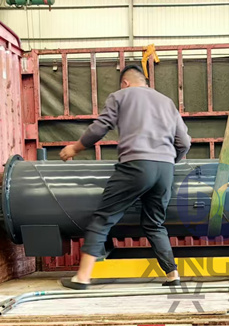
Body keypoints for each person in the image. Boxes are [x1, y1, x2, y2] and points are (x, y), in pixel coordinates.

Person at [58, 65, 191, 290]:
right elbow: (184, 142)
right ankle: (172, 275)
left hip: (136, 164)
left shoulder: (120, 96)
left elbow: (100, 128)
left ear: (125, 82)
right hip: (166, 169)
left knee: (102, 218)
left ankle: (82, 278)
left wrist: (75, 148)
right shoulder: (167, 102)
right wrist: (169, 160)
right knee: (154, 224)